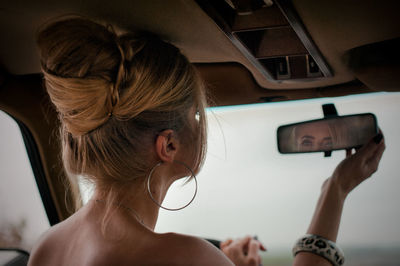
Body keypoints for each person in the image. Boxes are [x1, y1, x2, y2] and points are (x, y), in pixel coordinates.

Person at [28, 16, 386, 266]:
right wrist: (335, 190)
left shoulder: (46, 248)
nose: (202, 125)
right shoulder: (187, 258)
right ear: (168, 146)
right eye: (197, 116)